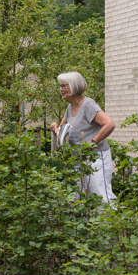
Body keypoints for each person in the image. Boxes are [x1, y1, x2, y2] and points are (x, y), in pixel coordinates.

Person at [49, 72, 117, 203]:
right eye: (60, 86)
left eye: (64, 86)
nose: (61, 89)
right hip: (78, 159)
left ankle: (109, 223)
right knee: (81, 198)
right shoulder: (70, 108)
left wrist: (92, 144)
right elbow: (61, 132)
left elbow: (109, 124)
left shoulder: (88, 105)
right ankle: (88, 224)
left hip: (95, 157)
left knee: (101, 196)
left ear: (74, 86)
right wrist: (54, 127)